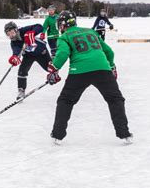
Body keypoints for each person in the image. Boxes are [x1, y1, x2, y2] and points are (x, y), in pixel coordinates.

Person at [46, 10, 132, 144]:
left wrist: (53, 69)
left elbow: (63, 53)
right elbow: (109, 51)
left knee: (65, 101)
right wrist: (112, 67)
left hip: (79, 72)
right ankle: (124, 133)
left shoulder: (64, 37)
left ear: (62, 25)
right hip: (103, 69)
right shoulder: (91, 31)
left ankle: (57, 135)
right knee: (115, 99)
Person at [4, 21, 52, 100]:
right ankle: (21, 90)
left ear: (16, 30)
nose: (11, 35)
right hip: (28, 56)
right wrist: (15, 57)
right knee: (21, 72)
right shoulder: (13, 42)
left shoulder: (23, 30)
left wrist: (32, 32)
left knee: (50, 69)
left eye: (12, 32)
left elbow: (39, 26)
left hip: (41, 52)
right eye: (8, 34)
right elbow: (16, 51)